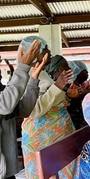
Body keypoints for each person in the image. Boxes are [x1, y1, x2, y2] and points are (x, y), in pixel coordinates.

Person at [22, 55, 80, 179]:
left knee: (62, 170)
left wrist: (69, 95)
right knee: (42, 172)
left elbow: (54, 103)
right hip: (41, 138)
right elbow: (35, 110)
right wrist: (58, 87)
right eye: (65, 67)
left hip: (56, 137)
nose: (69, 69)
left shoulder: (49, 79)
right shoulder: (32, 76)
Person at [0, 39, 46, 179]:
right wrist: (22, 68)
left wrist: (33, 79)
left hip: (7, 168)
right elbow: (5, 105)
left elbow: (22, 110)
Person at [68, 60, 90, 129]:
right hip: (74, 121)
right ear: (77, 72)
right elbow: (69, 105)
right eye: (84, 71)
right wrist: (83, 94)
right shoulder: (70, 87)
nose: (87, 72)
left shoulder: (80, 86)